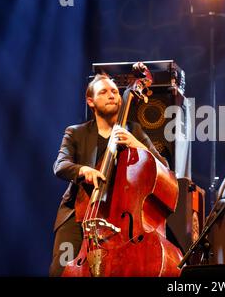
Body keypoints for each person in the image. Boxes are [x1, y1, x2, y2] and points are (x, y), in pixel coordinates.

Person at [49, 73, 169, 276]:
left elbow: (164, 167)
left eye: (115, 91)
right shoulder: (75, 133)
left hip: (118, 216)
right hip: (78, 216)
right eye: (103, 92)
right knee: (62, 271)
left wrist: (137, 145)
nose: (112, 95)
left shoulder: (134, 131)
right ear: (91, 101)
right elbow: (60, 165)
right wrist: (83, 170)